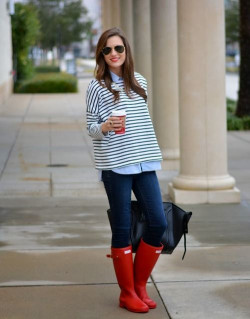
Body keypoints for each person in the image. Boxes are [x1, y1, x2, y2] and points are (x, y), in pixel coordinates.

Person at [86, 27, 167, 313]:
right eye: (107, 50)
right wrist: (106, 126)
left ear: (126, 51)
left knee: (158, 222)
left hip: (144, 162)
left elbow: (143, 124)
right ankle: (127, 292)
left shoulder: (140, 81)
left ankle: (140, 285)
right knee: (121, 227)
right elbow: (91, 127)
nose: (113, 54)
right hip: (115, 165)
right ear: (101, 55)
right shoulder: (97, 86)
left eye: (118, 48)